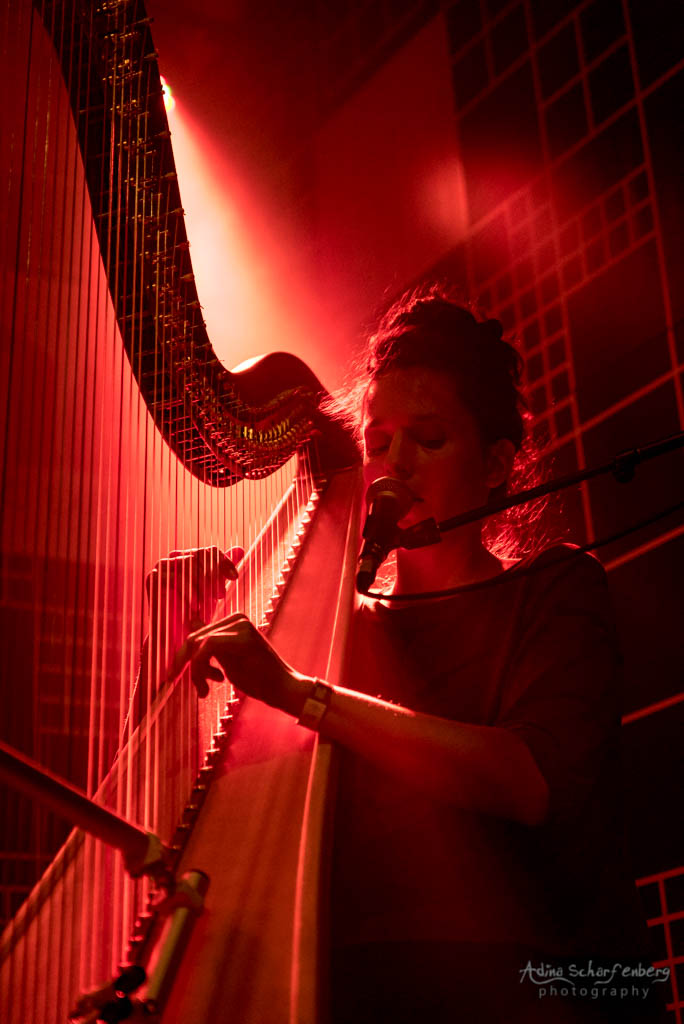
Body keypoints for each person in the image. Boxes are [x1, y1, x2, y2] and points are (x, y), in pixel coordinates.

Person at [154, 289, 666, 1022]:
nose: (394, 466)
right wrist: (170, 634)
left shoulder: (556, 587)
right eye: (377, 443)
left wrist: (301, 693)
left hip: (543, 990)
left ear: (495, 465)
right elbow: (181, 798)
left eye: (427, 439)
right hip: (364, 991)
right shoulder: (334, 628)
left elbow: (530, 782)